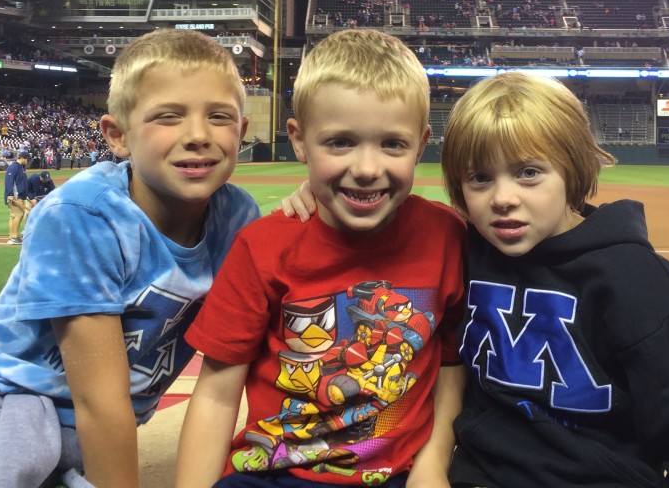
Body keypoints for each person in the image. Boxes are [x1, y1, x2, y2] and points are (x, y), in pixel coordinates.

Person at [0, 29, 261, 488]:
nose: (198, 135)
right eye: (169, 117)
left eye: (218, 117)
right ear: (117, 136)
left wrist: (311, 200)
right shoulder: (84, 214)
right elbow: (101, 403)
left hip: (69, 437)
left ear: (241, 131)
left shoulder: (238, 215)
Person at [176, 28, 467, 488]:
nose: (368, 169)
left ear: (422, 143)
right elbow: (215, 394)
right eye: (340, 143)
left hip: (399, 474)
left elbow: (452, 365)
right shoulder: (262, 247)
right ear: (298, 140)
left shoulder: (447, 236)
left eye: (393, 144)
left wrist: (433, 463)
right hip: (275, 473)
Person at [439, 72, 669, 487]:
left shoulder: (641, 284)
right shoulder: (466, 249)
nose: (503, 198)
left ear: (572, 168)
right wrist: (315, 197)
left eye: (529, 172)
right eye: (480, 178)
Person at [4, 150, 33, 244]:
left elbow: (22, 183)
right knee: (19, 214)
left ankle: (11, 237)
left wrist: (25, 196)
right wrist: (10, 194)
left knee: (13, 215)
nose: (28, 162)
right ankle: (14, 237)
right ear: (22, 158)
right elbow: (9, 181)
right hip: (14, 196)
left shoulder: (21, 168)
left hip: (19, 196)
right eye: (27, 160)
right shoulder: (13, 167)